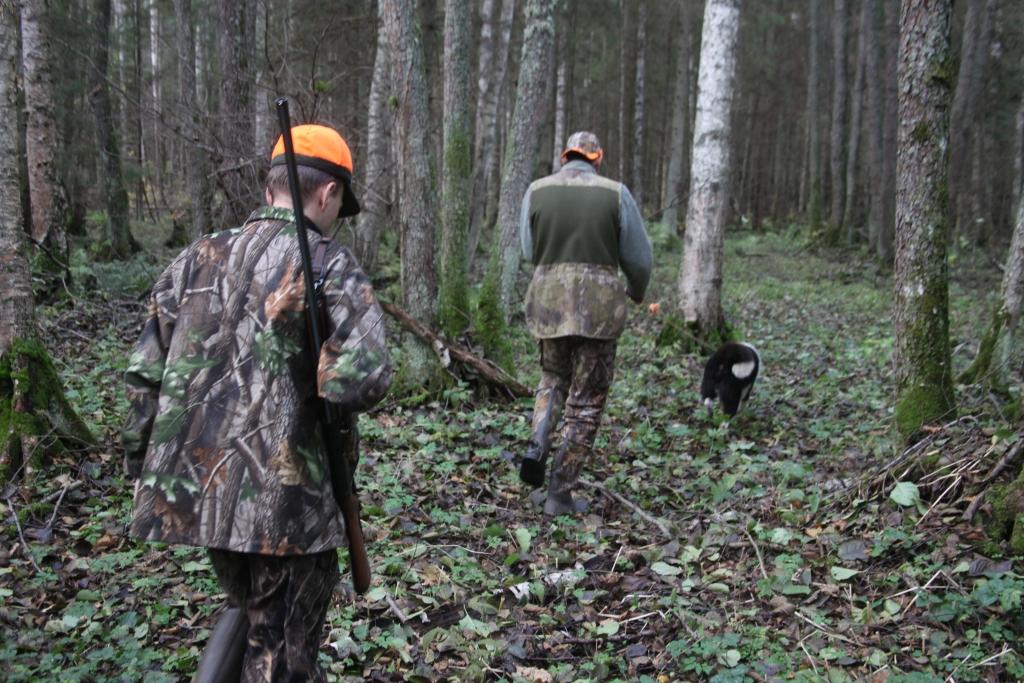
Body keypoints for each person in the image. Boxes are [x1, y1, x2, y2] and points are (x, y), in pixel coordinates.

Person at [121, 124, 392, 681]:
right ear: (328, 194)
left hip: (200, 492)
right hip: (286, 503)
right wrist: (320, 365)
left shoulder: (195, 258)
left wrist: (142, 467)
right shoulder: (327, 264)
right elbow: (369, 377)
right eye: (341, 204)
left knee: (256, 622)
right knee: (281, 657)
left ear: (270, 190)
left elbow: (144, 376)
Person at [518, 131, 653, 517]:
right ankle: (559, 493)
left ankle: (538, 441)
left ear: (565, 157)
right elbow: (639, 259)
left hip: (548, 305)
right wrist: (637, 290)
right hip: (598, 311)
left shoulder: (536, 190)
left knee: (552, 379)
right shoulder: (615, 193)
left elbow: (529, 250)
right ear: (597, 158)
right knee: (587, 402)